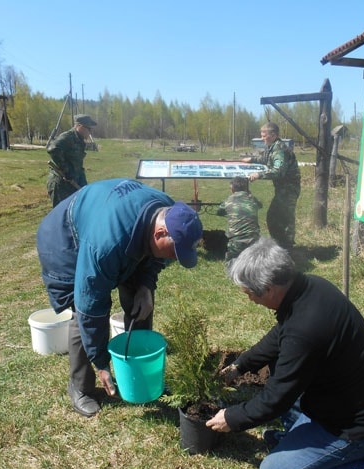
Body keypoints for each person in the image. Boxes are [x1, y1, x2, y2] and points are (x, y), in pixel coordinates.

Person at [206, 237, 364, 469]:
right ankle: (295, 442)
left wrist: (232, 418)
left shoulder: (305, 329)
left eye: (250, 293)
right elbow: (280, 335)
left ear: (269, 289)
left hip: (357, 428)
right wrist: (240, 365)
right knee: (281, 363)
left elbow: (276, 399)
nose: (250, 300)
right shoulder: (310, 288)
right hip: (346, 402)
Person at [36, 178, 203, 417]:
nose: (175, 259)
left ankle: (139, 374)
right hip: (66, 238)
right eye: (175, 253)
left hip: (109, 222)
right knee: (82, 313)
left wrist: (146, 285)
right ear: (160, 233)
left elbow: (155, 258)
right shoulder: (105, 245)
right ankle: (81, 387)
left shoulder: (167, 210)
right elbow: (89, 306)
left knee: (141, 300)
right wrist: (101, 362)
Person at [241, 122, 300, 249]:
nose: (262, 138)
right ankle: (279, 245)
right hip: (282, 189)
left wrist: (259, 174)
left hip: (289, 189)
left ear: (273, 135)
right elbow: (266, 159)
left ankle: (287, 247)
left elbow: (278, 171)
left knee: (284, 218)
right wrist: (251, 159)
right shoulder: (273, 146)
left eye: (264, 136)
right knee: (274, 217)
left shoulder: (280, 149)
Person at [46, 114, 97, 207]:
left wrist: (84, 184)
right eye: (89, 129)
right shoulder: (68, 137)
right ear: (80, 126)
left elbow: (78, 165)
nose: (90, 132)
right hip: (60, 184)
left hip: (72, 185)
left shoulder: (80, 141)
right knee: (61, 215)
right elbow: (53, 149)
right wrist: (67, 170)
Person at [215, 176, 262, 263]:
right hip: (254, 240)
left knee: (231, 264)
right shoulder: (252, 199)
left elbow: (218, 212)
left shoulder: (228, 200)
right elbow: (260, 205)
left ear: (232, 188)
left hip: (236, 241)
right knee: (254, 264)